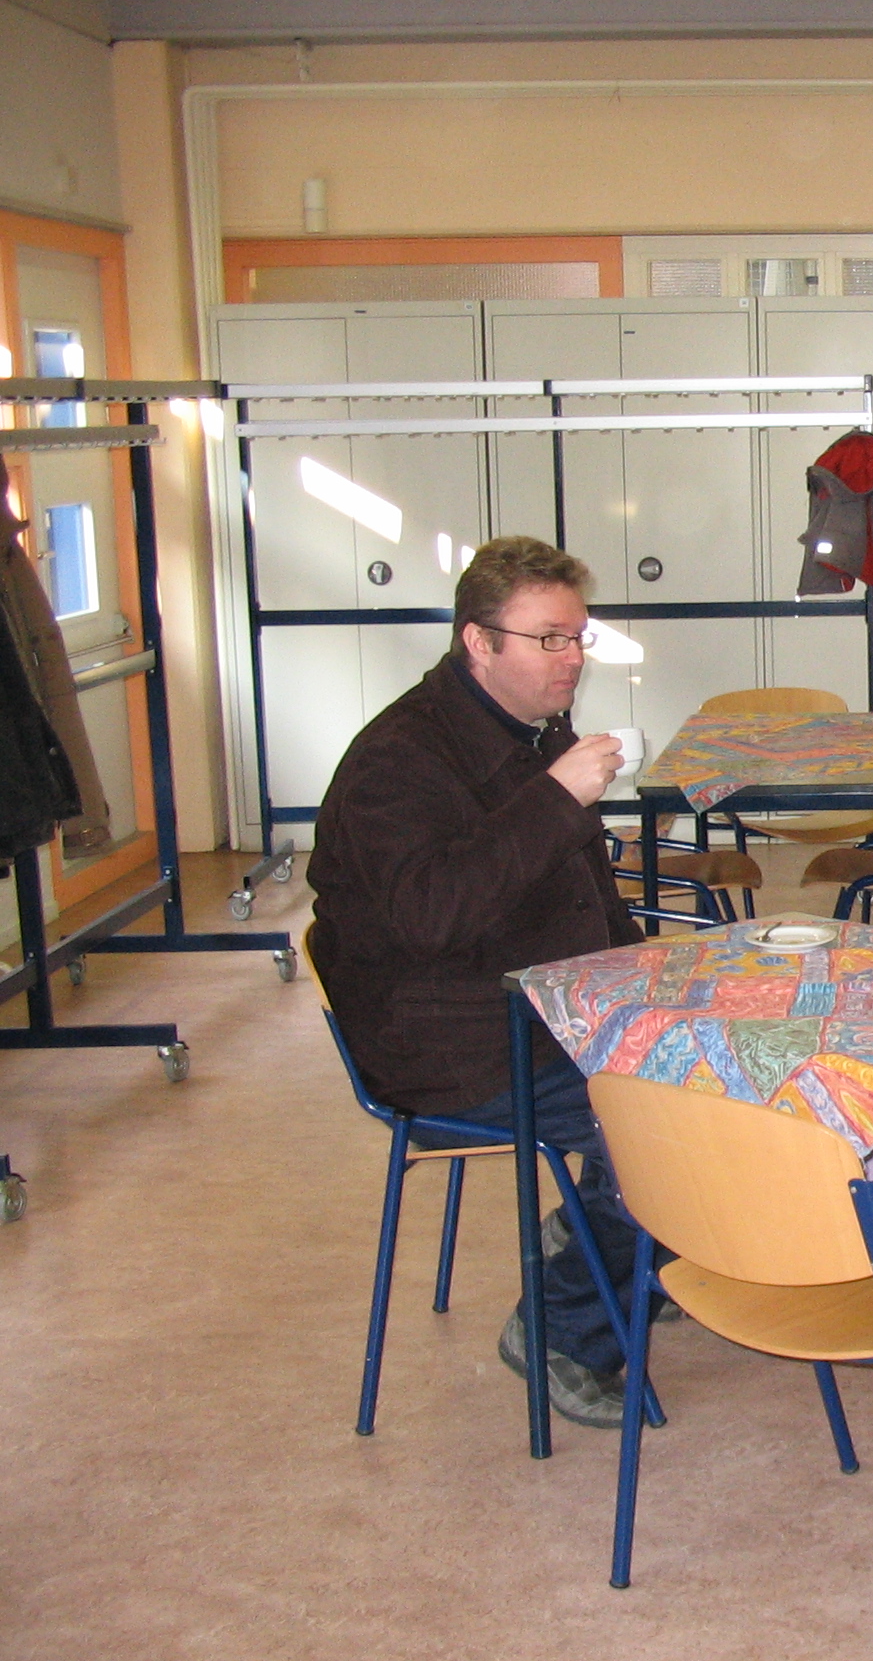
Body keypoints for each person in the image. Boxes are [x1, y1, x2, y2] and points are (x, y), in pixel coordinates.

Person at [308, 535, 645, 1427]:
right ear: (478, 642)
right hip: (451, 1044)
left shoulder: (531, 726)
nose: (572, 658)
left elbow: (580, 892)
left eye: (578, 636)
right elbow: (431, 913)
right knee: (673, 1127)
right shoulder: (396, 762)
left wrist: (652, 978)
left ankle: (606, 1236)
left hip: (546, 1007)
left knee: (726, 1066)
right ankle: (563, 1329)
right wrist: (557, 798)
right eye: (548, 639)